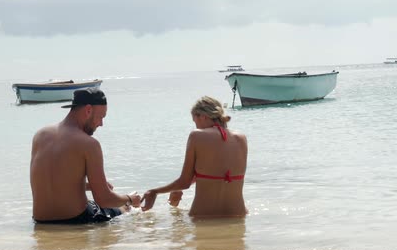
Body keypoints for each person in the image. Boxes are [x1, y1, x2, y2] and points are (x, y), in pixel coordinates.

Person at [30, 88, 141, 224]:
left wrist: (87, 185)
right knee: (125, 208)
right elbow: (104, 199)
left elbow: (49, 183)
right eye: (101, 117)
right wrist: (129, 198)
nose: (101, 124)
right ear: (88, 110)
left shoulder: (40, 135)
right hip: (75, 220)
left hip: (40, 220)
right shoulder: (89, 144)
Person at [142, 96, 248, 218]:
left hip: (204, 216)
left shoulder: (197, 135)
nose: (196, 126)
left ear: (202, 116)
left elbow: (184, 182)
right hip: (238, 215)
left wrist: (154, 192)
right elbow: (216, 172)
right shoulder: (241, 138)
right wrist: (177, 188)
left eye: (195, 121)